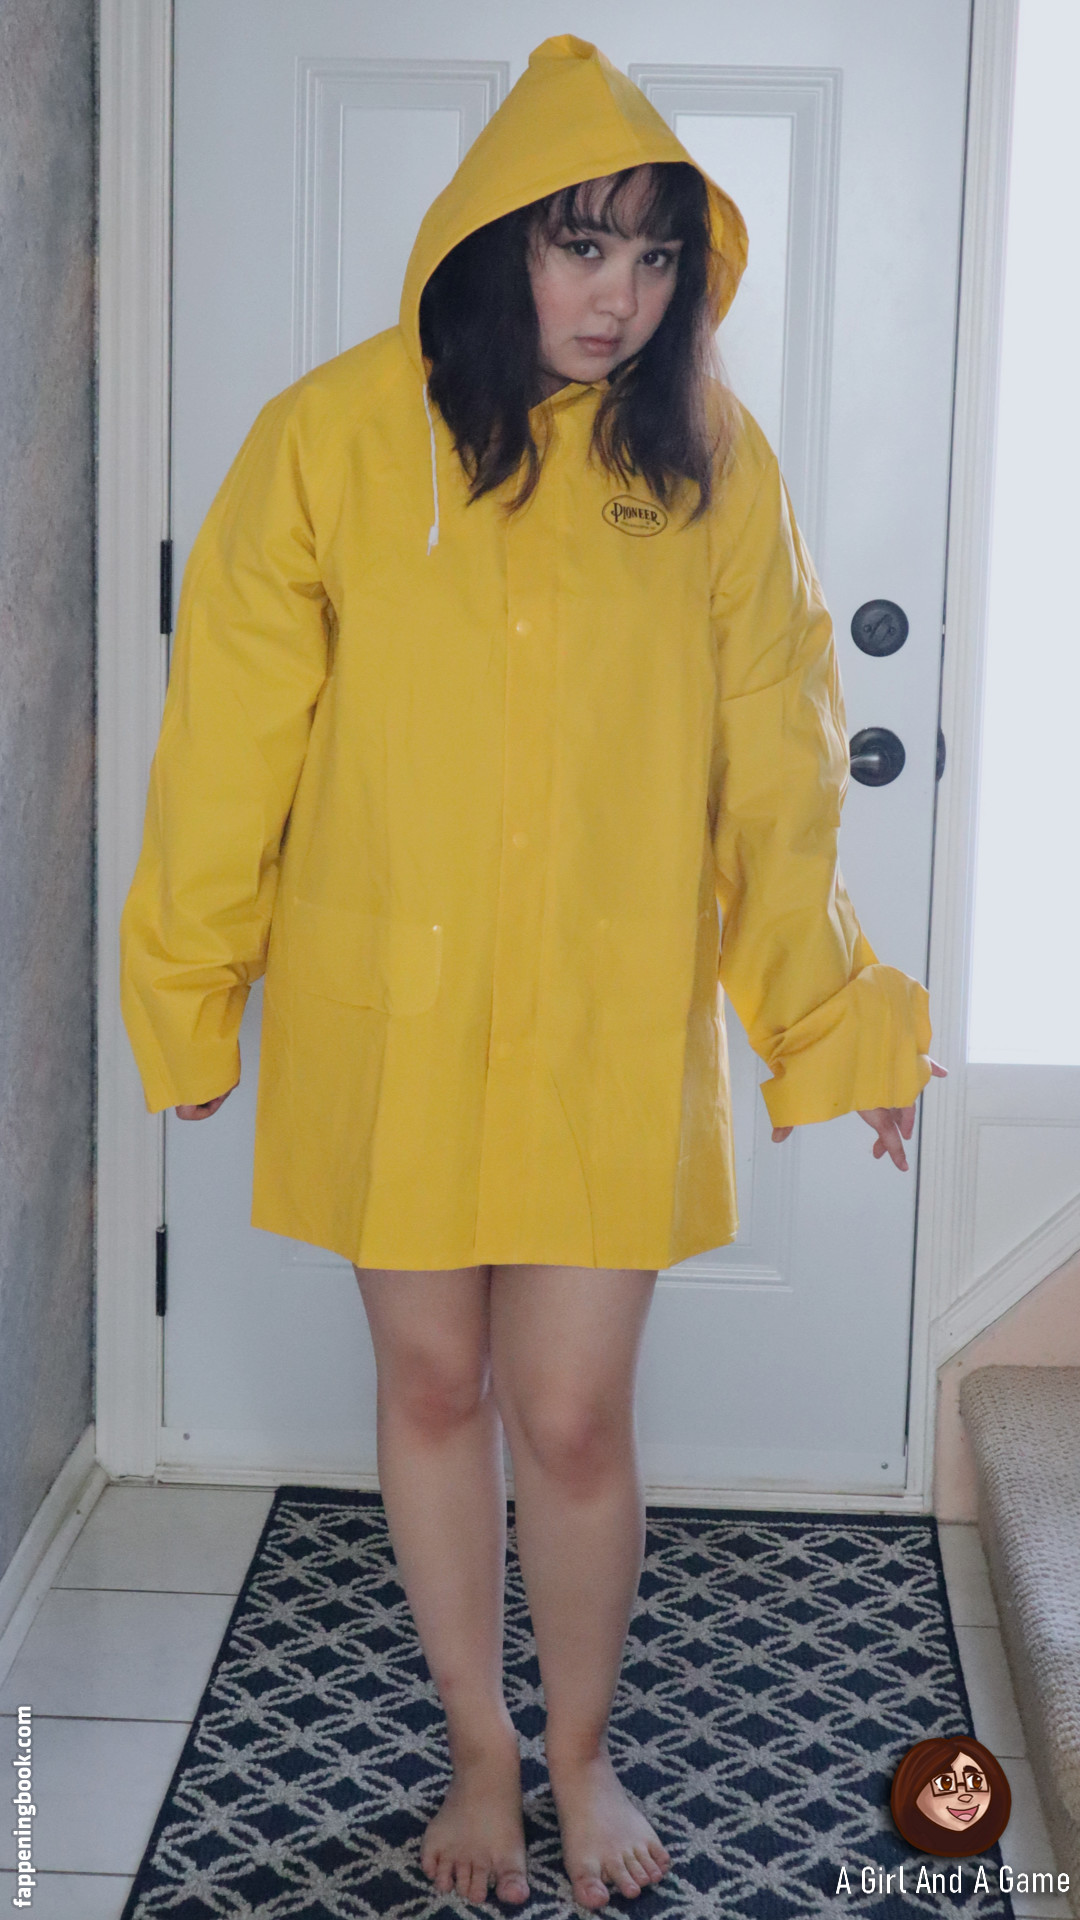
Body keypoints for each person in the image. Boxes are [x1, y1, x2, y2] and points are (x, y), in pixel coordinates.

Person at [120, 35, 945, 1912]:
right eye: (583, 246)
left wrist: (830, 1021)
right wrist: (192, 982)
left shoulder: (715, 464)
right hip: (393, 1008)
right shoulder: (330, 438)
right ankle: (477, 1748)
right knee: (430, 1389)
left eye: (654, 259)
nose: (618, 298)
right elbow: (229, 738)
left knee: (569, 1414)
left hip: (602, 1013)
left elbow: (781, 764)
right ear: (499, 240)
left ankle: (580, 1751)